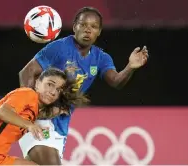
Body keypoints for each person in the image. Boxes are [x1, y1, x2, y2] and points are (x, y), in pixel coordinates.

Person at [18, 7, 149, 165]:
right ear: (75, 27)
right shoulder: (59, 48)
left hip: (61, 125)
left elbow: (116, 82)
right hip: (40, 121)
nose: (88, 30)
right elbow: (26, 73)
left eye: (93, 27)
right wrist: (31, 109)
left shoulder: (101, 58)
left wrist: (130, 67)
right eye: (83, 24)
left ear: (99, 31)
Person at [0, 67, 88, 165]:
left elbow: (43, 113)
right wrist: (29, 126)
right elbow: (2, 112)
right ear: (37, 83)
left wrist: (60, 109)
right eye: (49, 84)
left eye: (58, 90)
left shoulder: (35, 110)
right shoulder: (27, 93)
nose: (53, 92)